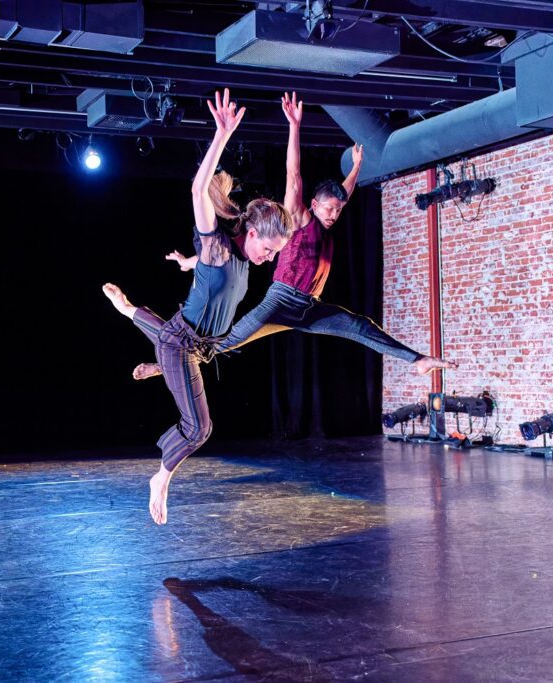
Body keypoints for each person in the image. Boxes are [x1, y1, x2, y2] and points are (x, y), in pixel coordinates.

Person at [134, 91, 455, 384]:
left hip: (308, 307)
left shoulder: (329, 218)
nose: (333, 214)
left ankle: (418, 359)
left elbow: (345, 192)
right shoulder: (299, 219)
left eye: (338, 210)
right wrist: (294, 126)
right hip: (281, 302)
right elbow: (294, 174)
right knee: (225, 343)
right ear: (314, 205)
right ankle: (166, 363)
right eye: (328, 208)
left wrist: (357, 167)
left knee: (359, 325)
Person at [103, 89, 294, 525]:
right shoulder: (220, 249)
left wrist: (187, 263)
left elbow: (214, 277)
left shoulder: (240, 257)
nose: (269, 258)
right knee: (200, 429)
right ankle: (161, 477)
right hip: (183, 343)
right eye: (268, 248)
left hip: (196, 340)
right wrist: (222, 135)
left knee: (169, 333)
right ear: (251, 234)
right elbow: (196, 189)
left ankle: (131, 315)